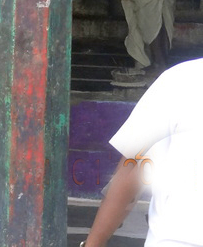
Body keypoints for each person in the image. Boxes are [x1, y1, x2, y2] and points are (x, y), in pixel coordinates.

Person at [81, 57, 203, 247]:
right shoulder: (180, 80)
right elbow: (133, 169)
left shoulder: (182, 79)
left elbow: (132, 169)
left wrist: (93, 244)